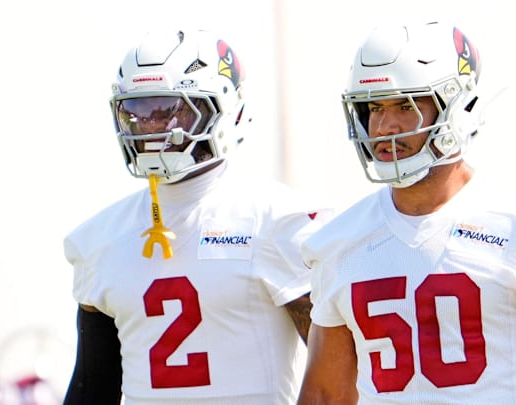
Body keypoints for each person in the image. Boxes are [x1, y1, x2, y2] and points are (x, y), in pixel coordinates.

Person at [297, 21, 516, 404]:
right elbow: (326, 394)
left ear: (458, 108)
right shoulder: (338, 242)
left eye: (406, 105)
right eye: (375, 107)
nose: (385, 125)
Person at [62, 28, 332, 405]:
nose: (152, 127)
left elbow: (338, 375)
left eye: (169, 110)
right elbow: (93, 389)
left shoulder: (274, 219)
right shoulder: (98, 238)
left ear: (221, 109)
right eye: (137, 111)